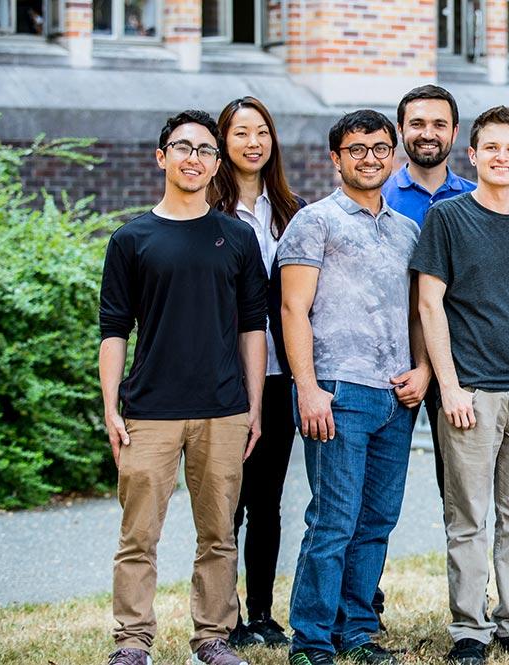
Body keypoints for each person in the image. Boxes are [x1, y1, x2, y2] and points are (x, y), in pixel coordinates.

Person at [100, 110, 267, 665]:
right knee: (138, 536)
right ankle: (131, 642)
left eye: (204, 151)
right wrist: (110, 408)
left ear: (216, 164)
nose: (193, 158)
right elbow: (113, 331)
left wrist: (254, 408)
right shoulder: (131, 239)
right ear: (162, 157)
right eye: (183, 148)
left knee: (218, 534)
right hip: (150, 410)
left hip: (223, 410)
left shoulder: (238, 238)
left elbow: (252, 329)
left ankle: (212, 639)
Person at [279, 109, 428, 665]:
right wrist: (309, 389)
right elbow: (293, 309)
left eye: (380, 148)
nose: (370, 157)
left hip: (396, 393)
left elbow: (417, 312)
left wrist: (423, 370)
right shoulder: (314, 222)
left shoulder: (406, 229)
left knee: (376, 521)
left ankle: (358, 630)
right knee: (334, 519)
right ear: (336, 158)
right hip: (338, 390)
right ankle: (312, 638)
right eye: (357, 148)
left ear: (394, 155)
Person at [412, 106, 509, 665]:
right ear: (472, 155)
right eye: (490, 148)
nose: (501, 157)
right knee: (469, 517)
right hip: (470, 390)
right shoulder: (447, 218)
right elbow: (430, 303)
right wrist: (448, 386)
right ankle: (468, 630)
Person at [208, 96, 306, 649]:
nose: (253, 142)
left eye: (262, 131)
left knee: (268, 498)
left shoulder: (292, 211)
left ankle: (264, 614)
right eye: (241, 132)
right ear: (223, 142)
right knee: (229, 502)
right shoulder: (209, 215)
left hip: (278, 376)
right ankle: (226, 617)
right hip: (224, 379)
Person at [382, 83, 477, 499]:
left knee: (458, 493)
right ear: (401, 129)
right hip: (387, 363)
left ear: (455, 132)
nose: (428, 133)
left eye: (439, 124)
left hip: (457, 361)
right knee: (376, 498)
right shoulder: (378, 197)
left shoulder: (476, 200)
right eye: (417, 123)